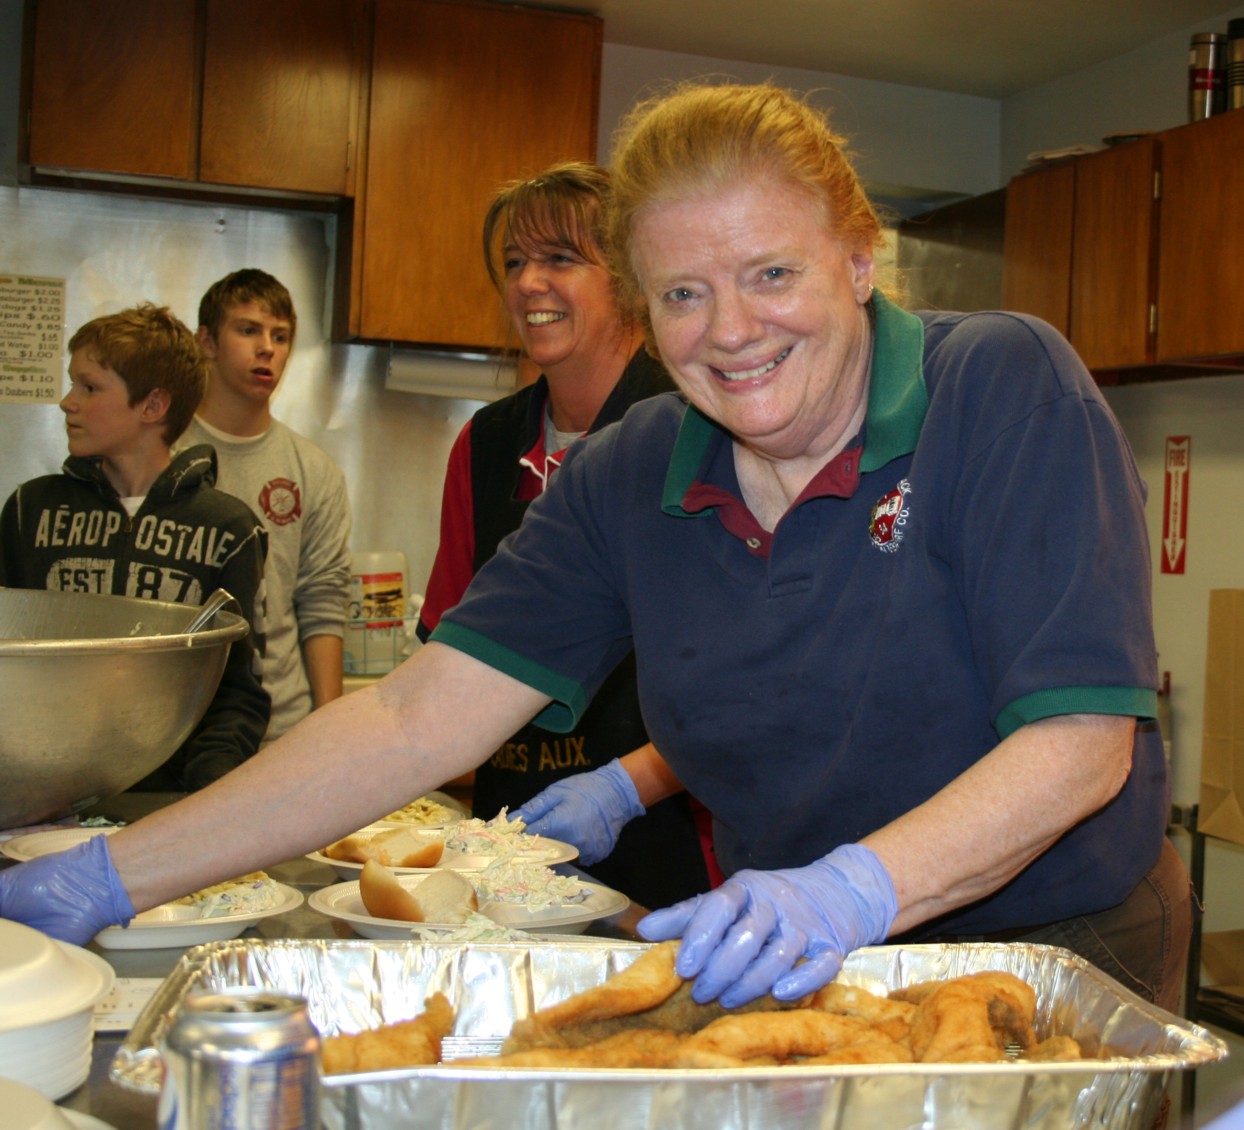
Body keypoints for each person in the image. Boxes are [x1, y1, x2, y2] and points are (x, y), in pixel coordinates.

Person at [0, 83, 1189, 1019]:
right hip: (805, 952)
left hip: (1052, 935)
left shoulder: (998, 385)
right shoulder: (630, 468)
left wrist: (849, 887)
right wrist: (116, 873)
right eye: (681, 292)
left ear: (858, 258)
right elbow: (414, 720)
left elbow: (1079, 742)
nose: (728, 329)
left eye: (770, 272)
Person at [417, 161, 715, 908]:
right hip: (508, 826)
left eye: (559, 259)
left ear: (626, 277)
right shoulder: (486, 444)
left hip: (670, 827)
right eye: (514, 263)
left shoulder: (697, 432)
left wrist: (625, 787)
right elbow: (443, 653)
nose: (526, 283)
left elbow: (740, 685)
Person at [0, 304, 269, 792]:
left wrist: (208, 797)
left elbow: (236, 690)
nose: (67, 401)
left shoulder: (228, 528)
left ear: (153, 406)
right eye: (72, 384)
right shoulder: (30, 511)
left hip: (168, 798)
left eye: (89, 387)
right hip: (38, 796)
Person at [180, 269, 352, 743]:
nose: (267, 349)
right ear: (207, 342)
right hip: (176, 728)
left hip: (279, 730)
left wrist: (328, 732)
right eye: (248, 330)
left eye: (281, 336)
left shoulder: (311, 469)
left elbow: (321, 600)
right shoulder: (161, 454)